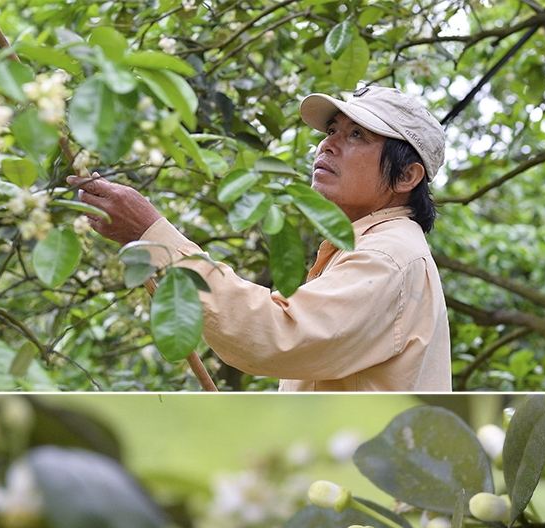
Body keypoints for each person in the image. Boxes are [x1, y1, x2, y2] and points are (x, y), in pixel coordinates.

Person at [66, 84, 452, 391]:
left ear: (406, 177)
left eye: (356, 135)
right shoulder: (370, 246)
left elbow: (277, 334)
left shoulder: (389, 254)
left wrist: (152, 234)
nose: (328, 144)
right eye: (332, 130)